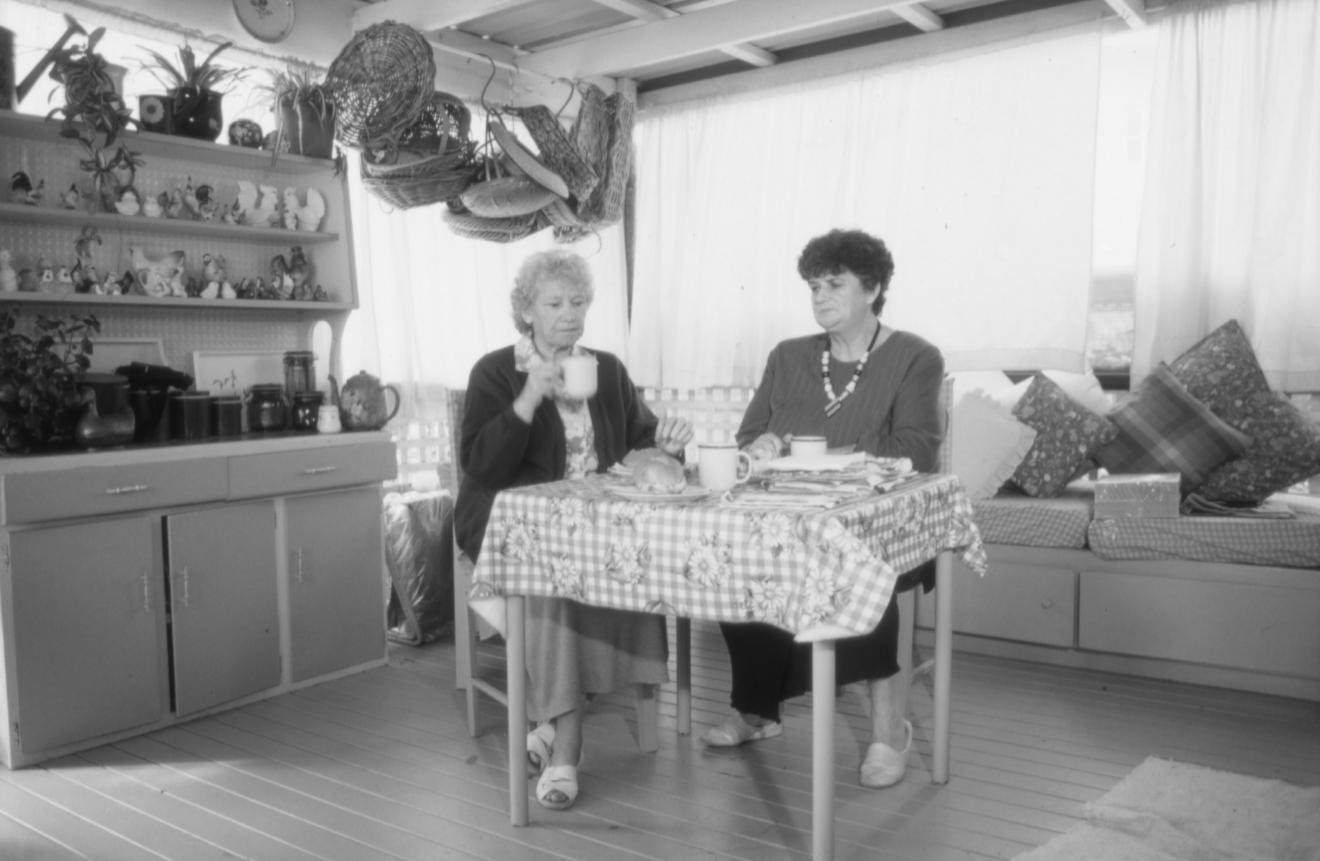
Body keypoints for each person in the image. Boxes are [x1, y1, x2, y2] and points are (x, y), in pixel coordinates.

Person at [703, 228, 944, 790]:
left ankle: (889, 732)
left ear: (874, 287)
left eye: (834, 284)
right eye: (814, 286)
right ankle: (756, 710)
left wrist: (815, 457)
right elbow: (750, 436)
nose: (820, 297)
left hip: (873, 523)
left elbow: (916, 450)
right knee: (730, 555)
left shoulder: (914, 357)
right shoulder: (788, 356)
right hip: (788, 520)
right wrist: (759, 448)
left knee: (864, 563)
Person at [454, 248, 693, 811]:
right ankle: (568, 743)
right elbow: (482, 466)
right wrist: (531, 394)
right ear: (527, 310)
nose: (569, 313)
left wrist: (668, 442)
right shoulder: (495, 370)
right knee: (555, 580)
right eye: (554, 302)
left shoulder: (605, 368)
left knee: (630, 563)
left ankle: (550, 726)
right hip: (507, 522)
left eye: (578, 301)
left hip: (592, 521)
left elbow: (638, 439)